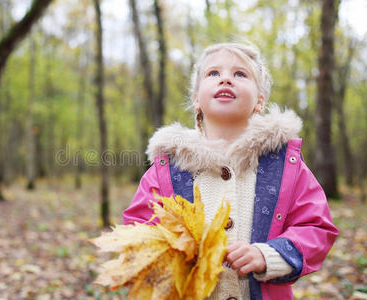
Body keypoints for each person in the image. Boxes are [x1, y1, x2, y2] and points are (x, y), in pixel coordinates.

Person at [122, 41, 338, 300]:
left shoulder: (284, 166)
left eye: (240, 74)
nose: (225, 79)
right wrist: (174, 257)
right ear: (196, 100)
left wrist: (268, 255)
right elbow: (138, 231)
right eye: (213, 73)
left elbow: (315, 226)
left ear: (259, 101)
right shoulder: (168, 169)